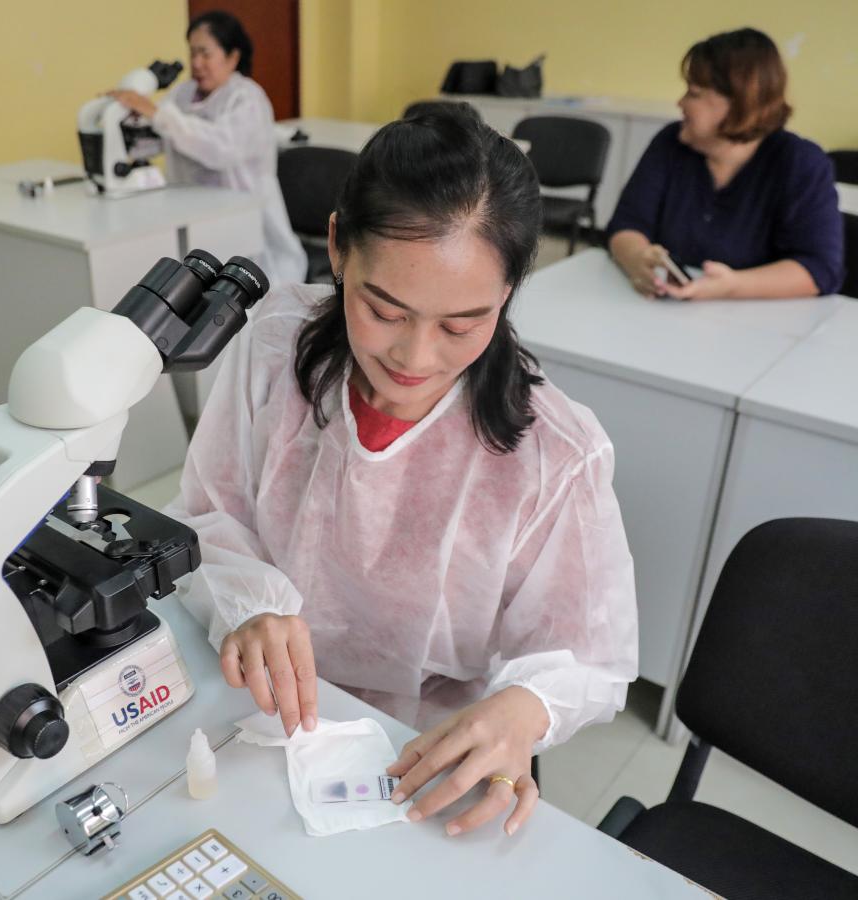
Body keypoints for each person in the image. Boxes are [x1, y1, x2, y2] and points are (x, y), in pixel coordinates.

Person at [167, 102, 638, 838]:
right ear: (337, 249)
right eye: (382, 308)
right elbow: (208, 510)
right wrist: (249, 603)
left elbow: (588, 657)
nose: (415, 359)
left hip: (424, 752)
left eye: (462, 324)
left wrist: (524, 709)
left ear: (508, 293)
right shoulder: (271, 350)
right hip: (261, 706)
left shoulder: (555, 453)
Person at [607, 27, 844, 300]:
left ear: (741, 103)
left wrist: (733, 286)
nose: (680, 102)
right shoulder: (670, 142)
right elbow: (626, 223)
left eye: (694, 93)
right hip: (663, 314)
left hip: (761, 327)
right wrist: (639, 259)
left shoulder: (802, 163)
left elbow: (819, 268)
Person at [110, 10, 307, 286]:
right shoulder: (182, 94)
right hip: (192, 217)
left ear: (232, 57)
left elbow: (219, 148)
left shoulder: (247, 98)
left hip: (245, 225)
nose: (196, 63)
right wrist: (126, 117)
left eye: (205, 54)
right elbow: (158, 138)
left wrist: (158, 115)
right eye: (192, 53)